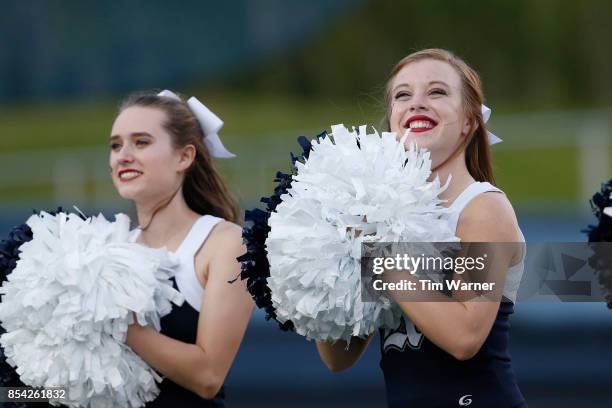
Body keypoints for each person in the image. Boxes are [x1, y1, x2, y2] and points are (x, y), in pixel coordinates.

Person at [316, 49, 527, 407]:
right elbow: (338, 358)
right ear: (393, 120)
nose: (417, 103)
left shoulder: (482, 208)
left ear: (469, 122)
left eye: (437, 92)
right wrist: (334, 267)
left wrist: (377, 255)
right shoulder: (380, 217)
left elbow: (465, 337)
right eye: (402, 95)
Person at [109, 90, 253, 407]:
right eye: (116, 145)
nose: (123, 155)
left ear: (184, 157)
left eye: (141, 142)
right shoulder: (108, 250)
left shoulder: (225, 243)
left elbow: (208, 376)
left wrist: (114, 322)